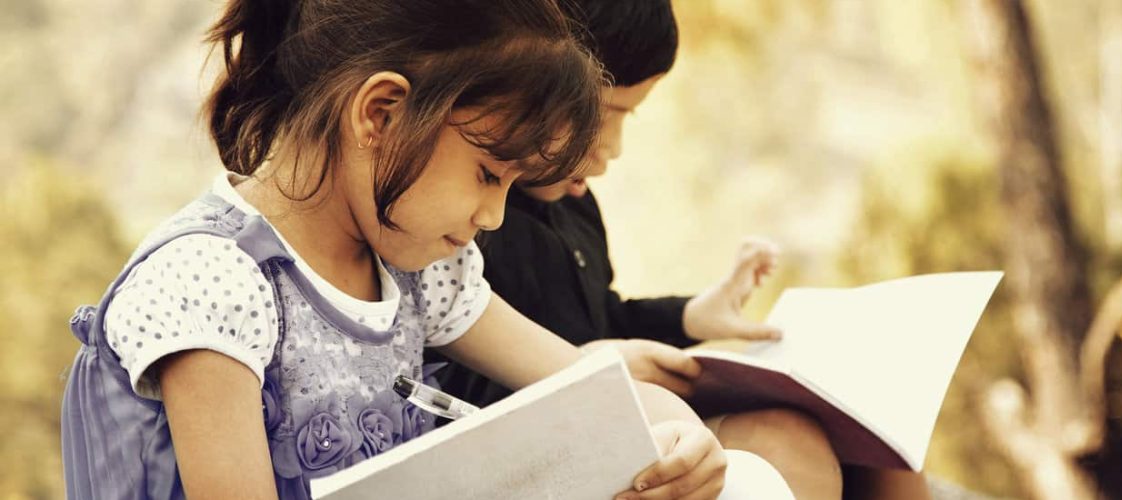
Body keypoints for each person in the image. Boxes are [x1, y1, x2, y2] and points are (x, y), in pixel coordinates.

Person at [59, 1, 739, 498]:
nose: (496, 217)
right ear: (380, 114)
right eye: (488, 174)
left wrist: (683, 439)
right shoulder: (213, 282)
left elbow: (587, 384)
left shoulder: (423, 274)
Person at [434, 1, 932, 499]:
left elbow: (602, 315)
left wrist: (689, 318)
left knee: (880, 440)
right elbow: (451, 384)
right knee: (783, 444)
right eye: (606, 113)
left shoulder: (574, 209)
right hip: (540, 437)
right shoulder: (465, 225)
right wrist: (592, 363)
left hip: (614, 401)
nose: (613, 147)